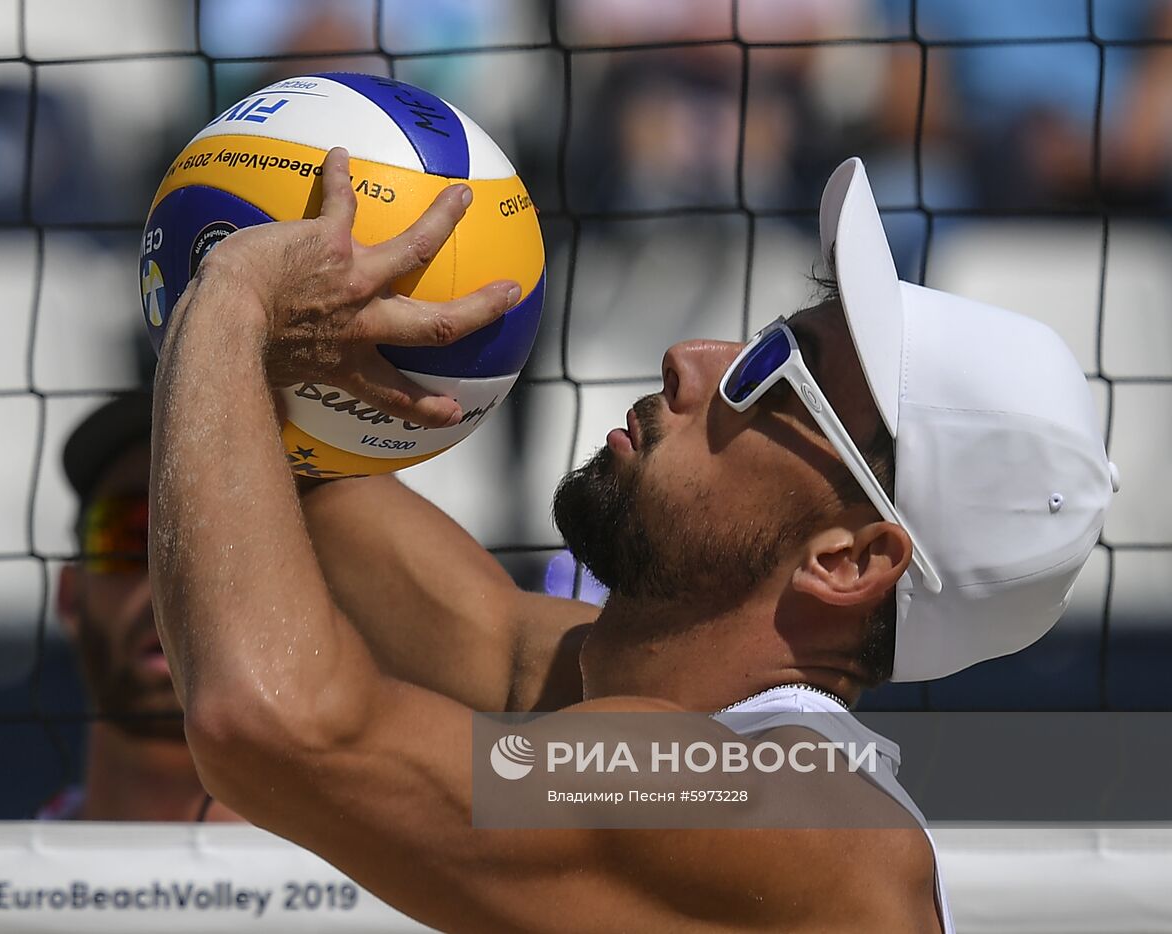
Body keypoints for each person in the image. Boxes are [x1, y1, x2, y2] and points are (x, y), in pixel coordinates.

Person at [146, 149, 1117, 930]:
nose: (692, 358)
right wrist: (293, 336)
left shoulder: (776, 808)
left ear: (846, 560)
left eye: (773, 375)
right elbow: (449, 605)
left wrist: (233, 301)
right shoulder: (649, 706)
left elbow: (272, 724)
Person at [41, 394, 240, 822]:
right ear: (69, 596)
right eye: (129, 534)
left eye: (222, 540)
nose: (171, 584)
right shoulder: (0, 865)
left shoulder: (360, 866)